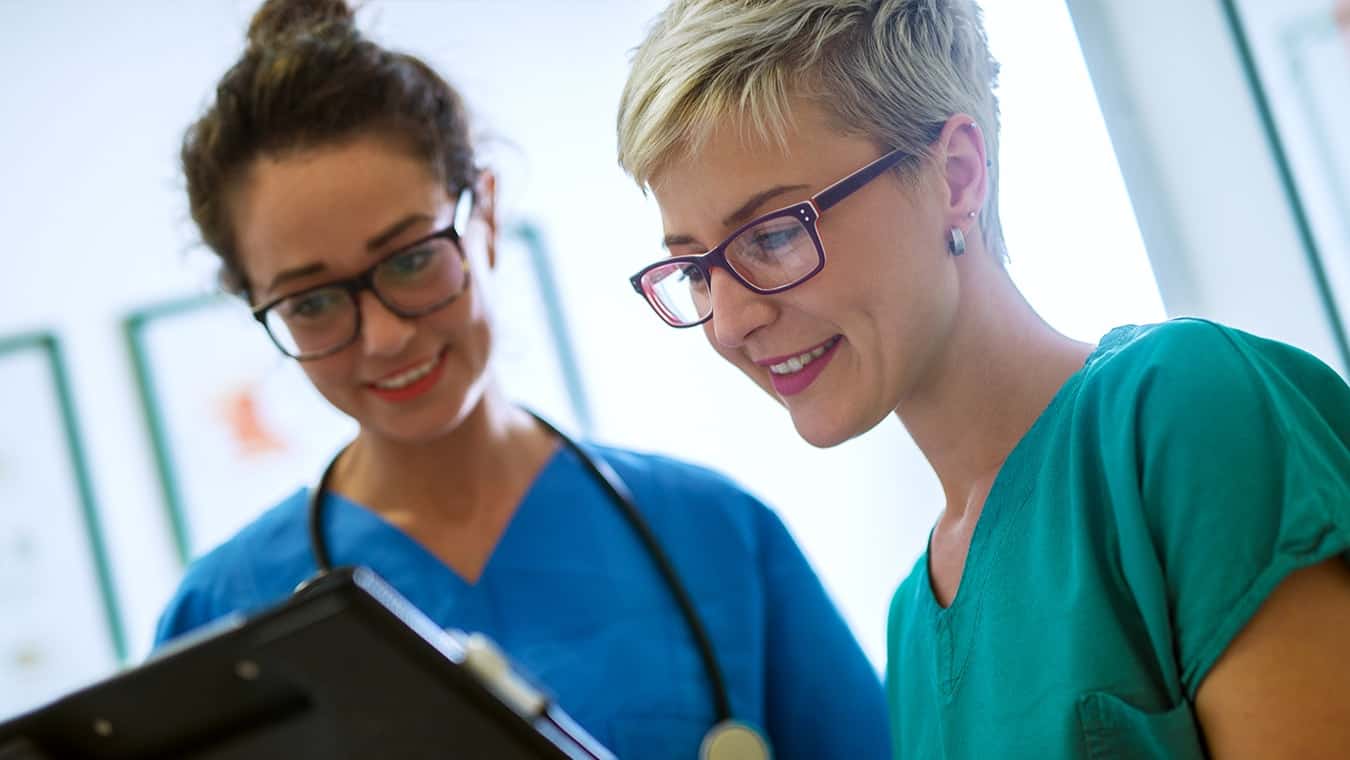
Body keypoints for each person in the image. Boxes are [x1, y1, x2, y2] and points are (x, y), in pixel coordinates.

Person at [152, 1, 892, 757]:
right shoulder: (223, 614)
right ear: (256, 306)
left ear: (489, 217)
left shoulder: (715, 534)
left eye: (412, 259)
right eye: (311, 303)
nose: (383, 336)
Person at [615, 0, 1350, 756]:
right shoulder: (914, 619)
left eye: (771, 235)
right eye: (698, 270)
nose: (730, 323)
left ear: (956, 175)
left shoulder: (1181, 414)